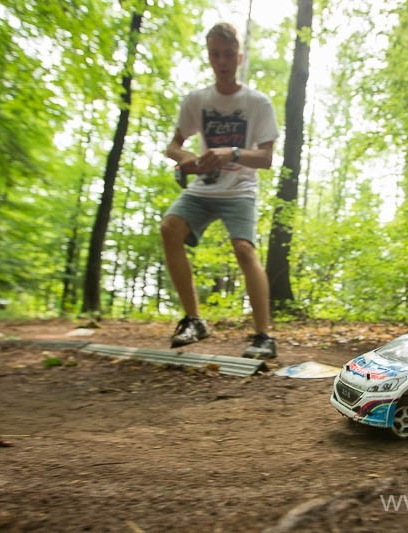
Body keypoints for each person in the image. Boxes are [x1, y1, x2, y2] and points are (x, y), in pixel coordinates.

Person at [161, 22, 279, 360]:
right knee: (169, 228)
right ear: (209, 57)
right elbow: (173, 146)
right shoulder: (197, 100)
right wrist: (186, 158)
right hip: (204, 187)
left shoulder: (257, 102)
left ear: (239, 58)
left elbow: (266, 159)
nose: (222, 61)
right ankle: (193, 320)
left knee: (244, 250)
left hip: (240, 188)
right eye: (216, 54)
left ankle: (264, 336)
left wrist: (233, 153)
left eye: (229, 54)